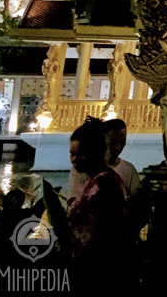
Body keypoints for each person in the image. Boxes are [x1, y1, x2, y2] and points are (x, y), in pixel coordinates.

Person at [67, 118, 128, 290]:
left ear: (96, 152)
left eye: (80, 154)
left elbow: (98, 237)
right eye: (72, 154)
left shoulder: (104, 185)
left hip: (96, 271)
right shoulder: (95, 181)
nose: (74, 159)